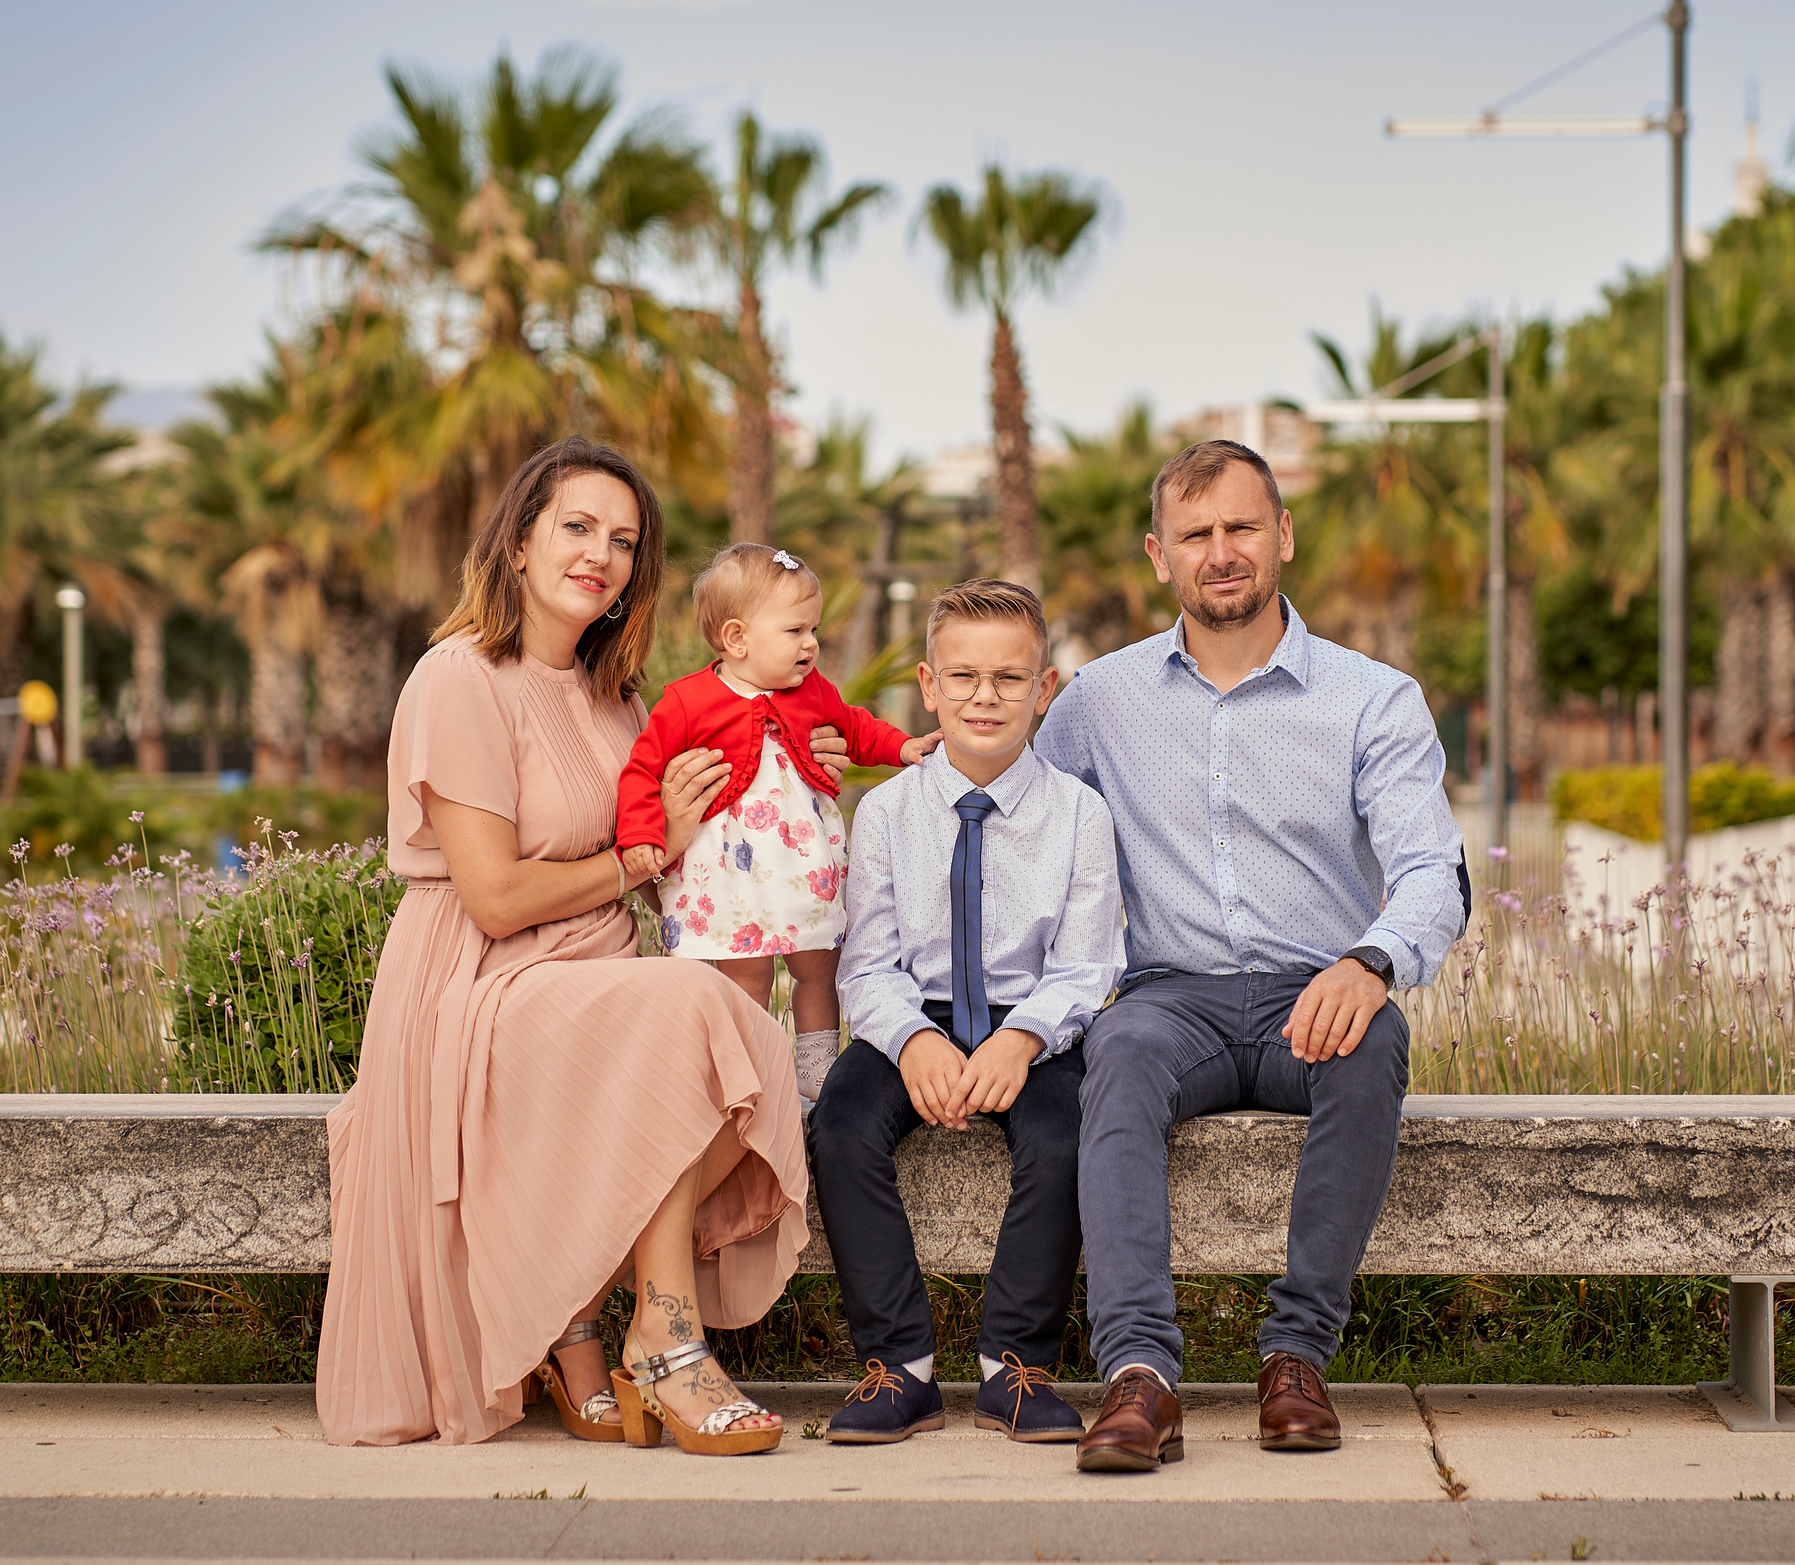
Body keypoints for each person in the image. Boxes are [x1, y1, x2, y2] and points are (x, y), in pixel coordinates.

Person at [319, 439, 850, 1456]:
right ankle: (664, 1337)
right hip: (478, 978)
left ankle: (578, 1331)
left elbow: (712, 834)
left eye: (623, 540)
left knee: (732, 1030)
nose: (599, 555)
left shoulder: (621, 694)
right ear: (517, 542)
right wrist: (642, 856)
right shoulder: (457, 677)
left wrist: (807, 754)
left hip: (597, 971)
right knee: (693, 1014)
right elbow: (498, 893)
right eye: (576, 527)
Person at [1033, 439, 1467, 1473]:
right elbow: (1021, 821)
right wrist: (913, 758)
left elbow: (1430, 872)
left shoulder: (1373, 699)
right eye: (1194, 535)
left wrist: (1371, 963)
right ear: (1157, 555)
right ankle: (1141, 1378)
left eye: (1238, 527)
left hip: (1310, 995)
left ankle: (1296, 1358)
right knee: (1116, 1056)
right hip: (1167, 999)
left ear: (1281, 535)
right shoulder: (1098, 699)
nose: (1218, 552)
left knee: (1374, 1047)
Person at [810, 579, 1122, 1447]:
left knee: (1066, 1132)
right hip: (918, 1014)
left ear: (1044, 689)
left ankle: (1012, 1367)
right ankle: (899, 1367)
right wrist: (912, 1042)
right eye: (964, 676)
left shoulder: (1079, 815)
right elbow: (867, 963)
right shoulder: (884, 813)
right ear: (928, 684)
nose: (986, 696)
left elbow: (1087, 964)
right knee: (840, 1124)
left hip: (1035, 1023)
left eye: (1010, 678)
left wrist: (1023, 1039)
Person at [617, 544, 933, 1101]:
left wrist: (903, 748)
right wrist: (643, 835)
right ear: (737, 638)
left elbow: (856, 728)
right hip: (731, 870)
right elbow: (642, 770)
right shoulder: (687, 701)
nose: (811, 644)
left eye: (813, 629)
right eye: (795, 631)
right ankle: (752, 1065)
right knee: (747, 971)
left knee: (819, 962)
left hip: (802, 861)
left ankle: (816, 1063)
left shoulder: (813, 692)